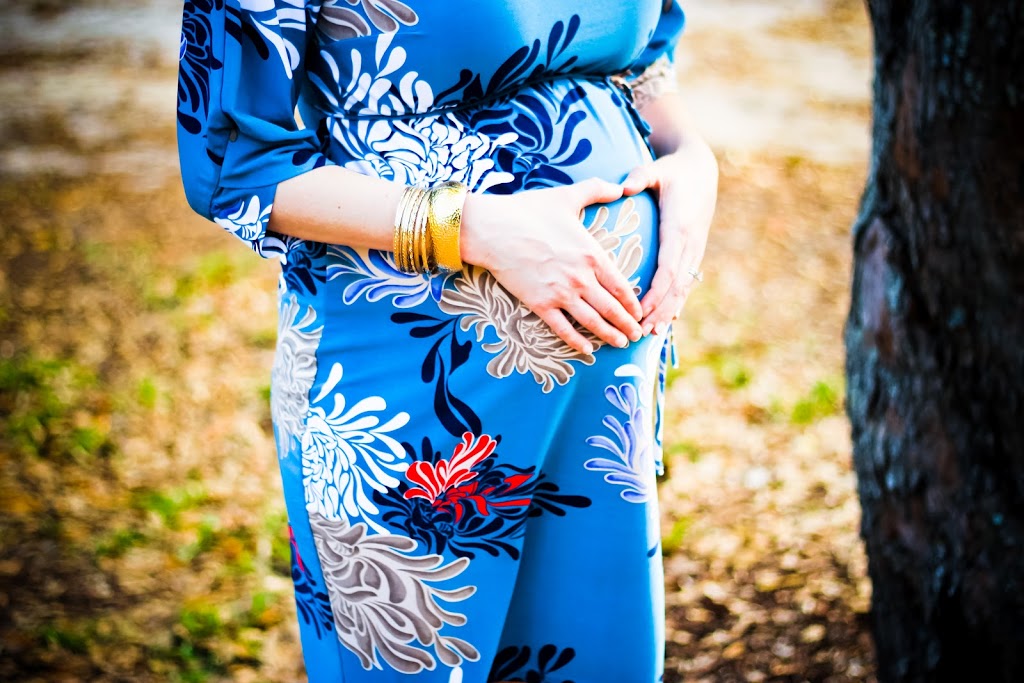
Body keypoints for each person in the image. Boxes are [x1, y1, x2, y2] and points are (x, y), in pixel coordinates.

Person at [176, 0, 717, 681]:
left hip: (604, 394)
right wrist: (468, 227)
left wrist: (692, 159)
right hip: (410, 398)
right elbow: (233, 161)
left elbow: (641, 62)